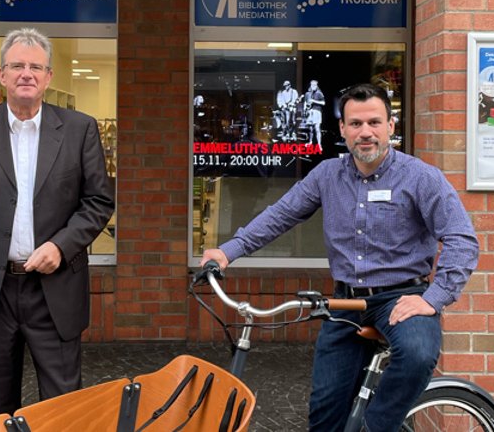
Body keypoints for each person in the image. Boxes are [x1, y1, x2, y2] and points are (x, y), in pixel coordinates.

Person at [200, 83, 479, 432]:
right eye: (356, 124)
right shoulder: (327, 175)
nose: (366, 132)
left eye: (375, 122)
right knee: (325, 416)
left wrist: (433, 298)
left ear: (391, 126)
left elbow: (462, 239)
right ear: (343, 129)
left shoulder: (421, 177)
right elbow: (281, 215)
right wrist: (227, 252)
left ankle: (377, 426)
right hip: (345, 303)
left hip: (402, 298)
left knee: (419, 354)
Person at [0, 28, 115, 421]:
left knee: (63, 408)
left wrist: (61, 246)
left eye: (36, 66)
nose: (26, 73)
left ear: (49, 77)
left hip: (55, 290)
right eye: (17, 65)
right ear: (1, 74)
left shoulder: (80, 129)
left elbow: (99, 202)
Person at [303, 79, 325, 151]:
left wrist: (314, 101)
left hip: (317, 111)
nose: (313, 86)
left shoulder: (319, 93)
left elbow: (323, 103)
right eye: (312, 85)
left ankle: (319, 145)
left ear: (317, 85)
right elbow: (305, 103)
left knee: (317, 129)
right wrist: (305, 109)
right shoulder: (307, 94)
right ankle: (310, 142)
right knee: (311, 129)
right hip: (310, 112)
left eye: (315, 85)